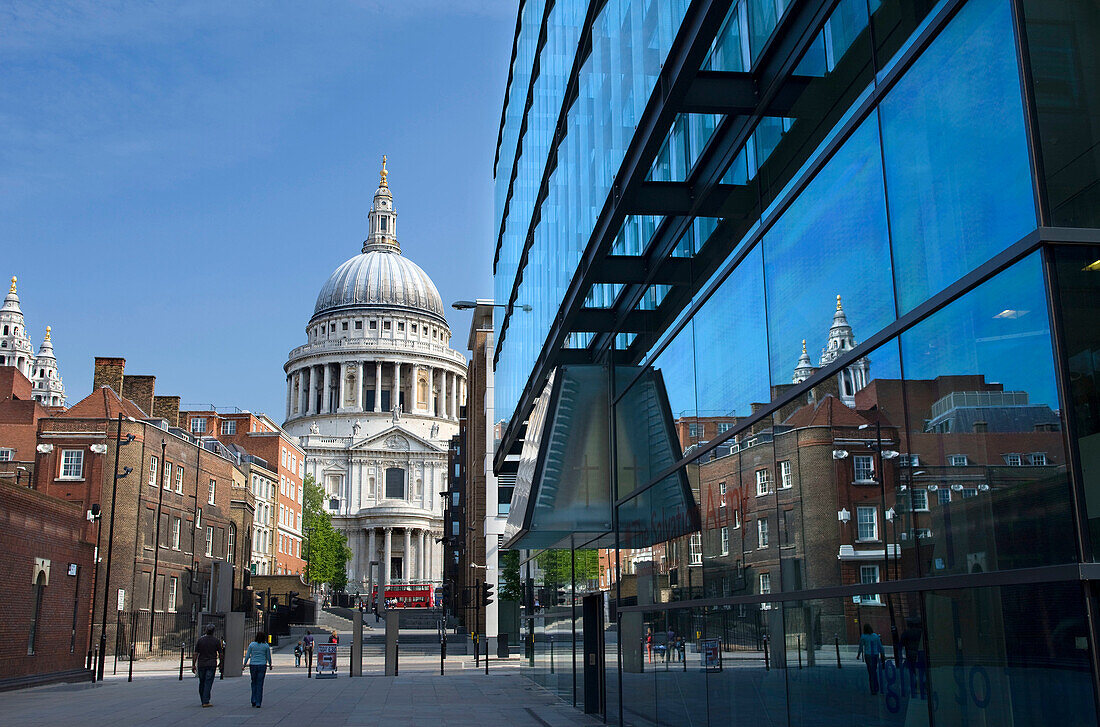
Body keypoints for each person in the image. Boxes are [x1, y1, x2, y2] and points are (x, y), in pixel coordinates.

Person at [191, 623, 223, 708]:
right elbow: (220, 653)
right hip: (211, 663)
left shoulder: (200, 640)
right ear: (213, 631)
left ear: (206, 630)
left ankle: (203, 699)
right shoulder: (216, 641)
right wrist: (221, 663)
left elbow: (195, 653)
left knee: (202, 682)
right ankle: (206, 700)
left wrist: (193, 664)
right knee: (208, 682)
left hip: (201, 664)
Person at [243, 631, 273, 708]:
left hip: (253, 665)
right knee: (260, 683)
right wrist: (270, 664)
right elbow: (268, 656)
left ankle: (253, 699)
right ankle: (258, 702)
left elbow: (247, 655)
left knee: (253, 682)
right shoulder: (266, 646)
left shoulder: (252, 645)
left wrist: (244, 664)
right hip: (262, 665)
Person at [857, 623, 885, 695]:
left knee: (870, 672)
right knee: (874, 671)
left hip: (868, 655)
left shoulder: (863, 636)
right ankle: (876, 686)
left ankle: (873, 688)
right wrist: (882, 655)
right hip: (875, 654)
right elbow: (880, 646)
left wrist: (858, 654)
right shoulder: (875, 636)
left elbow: (861, 647)